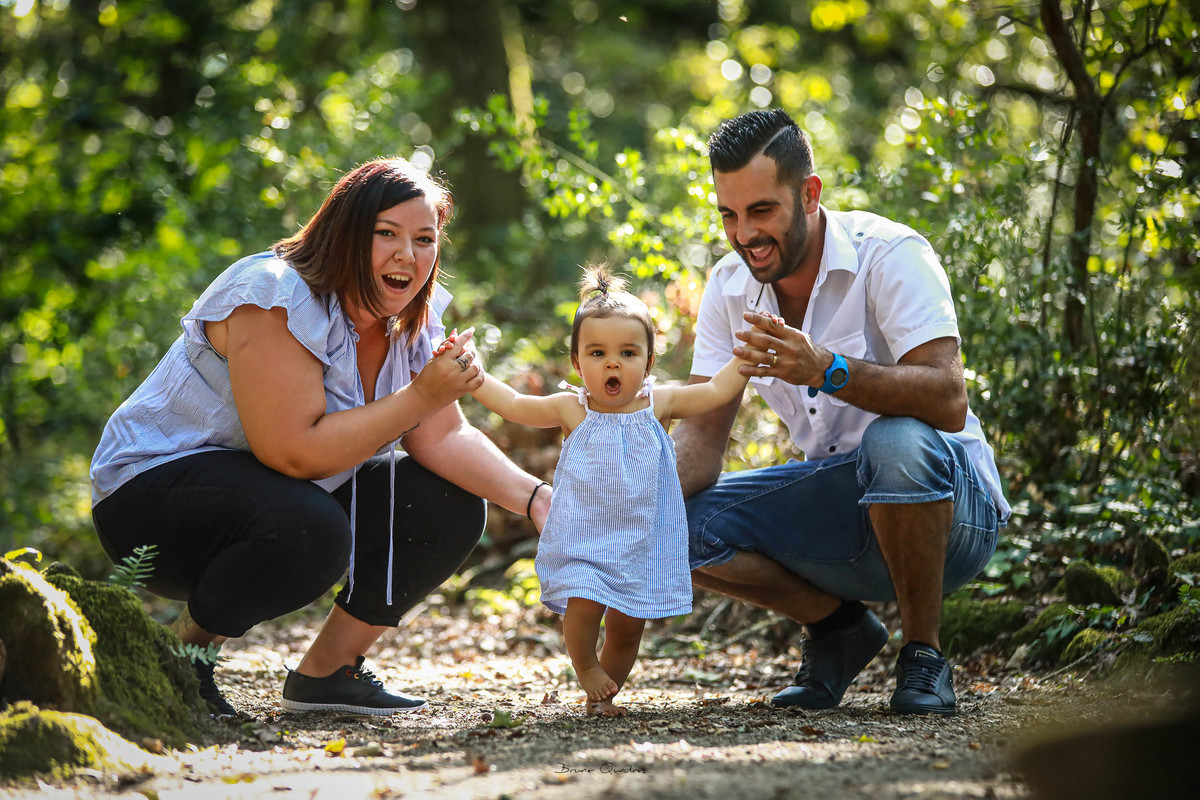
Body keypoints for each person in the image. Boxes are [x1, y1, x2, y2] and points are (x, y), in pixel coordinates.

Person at [89, 157, 550, 718]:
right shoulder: (274, 293)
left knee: (446, 501)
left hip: (272, 499)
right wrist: (419, 397)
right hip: (149, 500)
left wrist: (538, 501)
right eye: (387, 234)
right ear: (345, 232)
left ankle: (329, 672)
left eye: (424, 239)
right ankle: (184, 658)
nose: (408, 255)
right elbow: (292, 451)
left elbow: (444, 437)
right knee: (310, 524)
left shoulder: (409, 319)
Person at [672, 109, 1010, 716]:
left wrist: (827, 368)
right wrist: (627, 510)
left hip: (954, 514)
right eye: (728, 214)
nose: (744, 233)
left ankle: (924, 657)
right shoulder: (728, 287)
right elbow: (700, 436)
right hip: (839, 513)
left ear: (809, 193)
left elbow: (947, 398)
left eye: (761, 210)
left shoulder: (891, 254)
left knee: (897, 442)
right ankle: (838, 630)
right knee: (675, 525)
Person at [459, 265, 752, 716]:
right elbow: (515, 406)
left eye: (628, 353)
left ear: (649, 361)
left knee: (627, 627)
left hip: (639, 539)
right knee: (583, 604)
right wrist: (475, 374)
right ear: (577, 363)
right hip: (583, 535)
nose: (612, 363)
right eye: (597, 353)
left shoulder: (662, 403)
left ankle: (604, 697)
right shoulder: (571, 408)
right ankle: (586, 667)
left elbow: (715, 391)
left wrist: (744, 360)